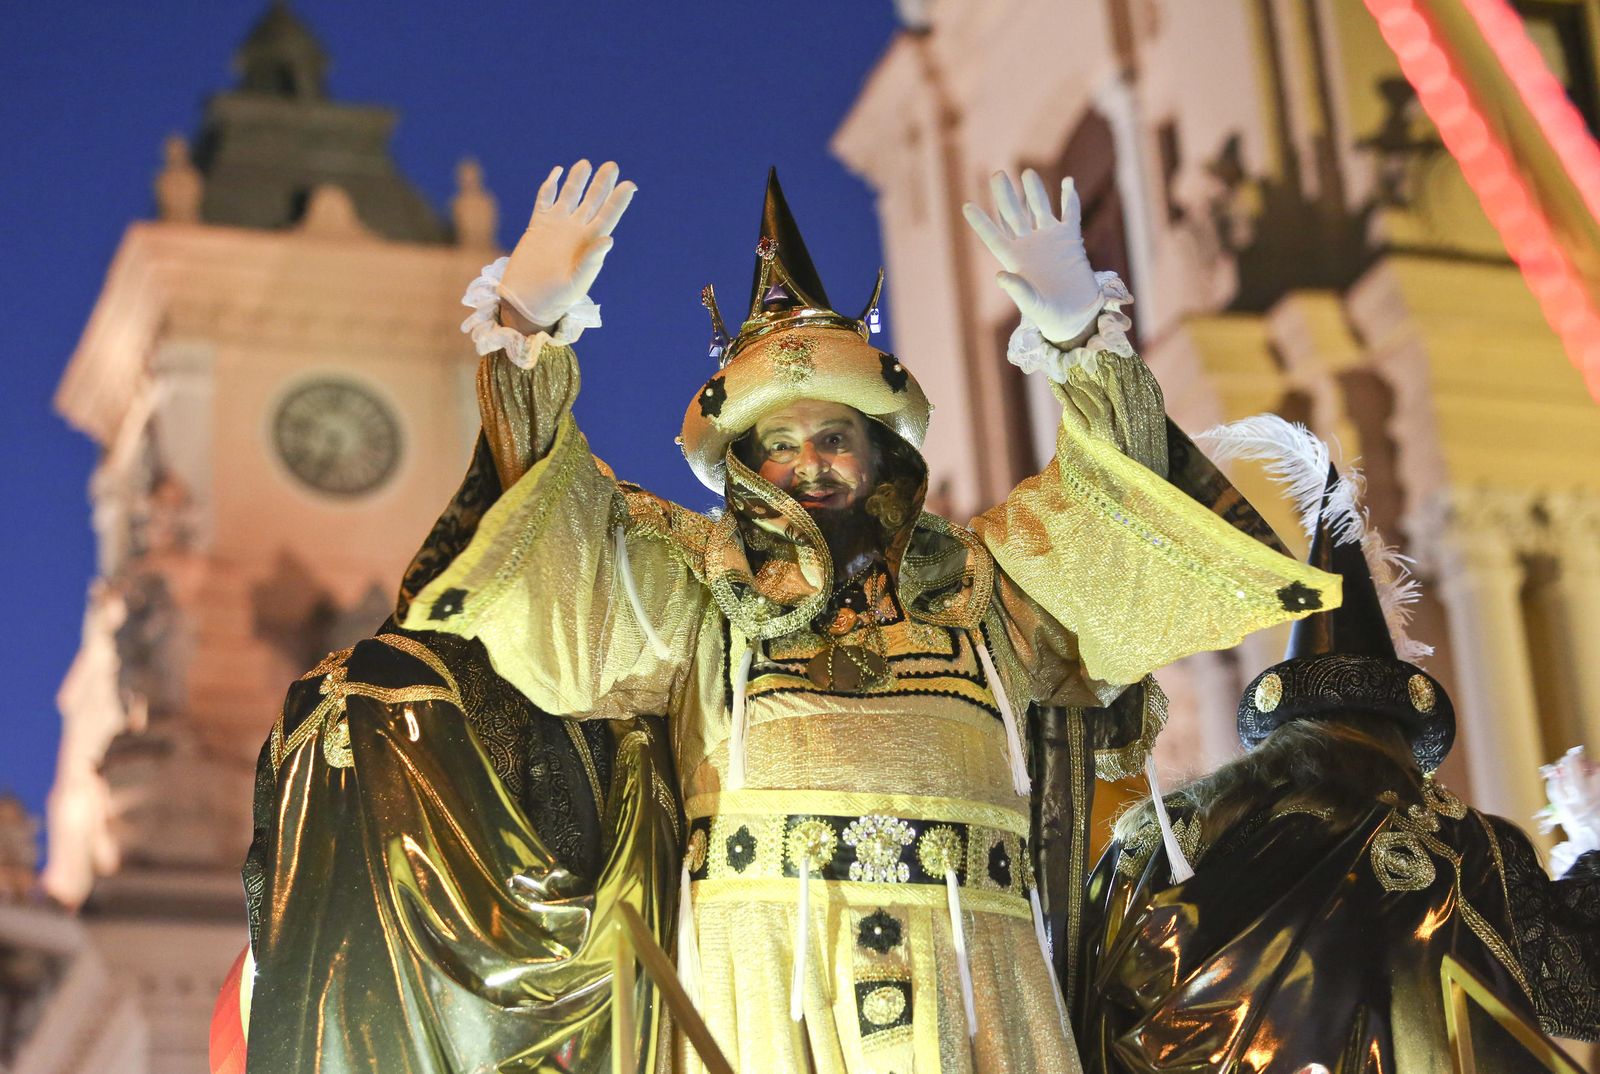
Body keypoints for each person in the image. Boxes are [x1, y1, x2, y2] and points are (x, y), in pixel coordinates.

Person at [392, 159, 1339, 1074]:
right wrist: (526, 331)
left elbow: (1125, 524)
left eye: (834, 437)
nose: (809, 462)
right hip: (762, 975)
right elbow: (545, 527)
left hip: (984, 974)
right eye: (780, 443)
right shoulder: (690, 586)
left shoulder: (987, 581)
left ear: (878, 451)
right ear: (741, 467)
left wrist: (1083, 341)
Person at [1075, 417, 1600, 1074]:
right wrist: (1588, 835)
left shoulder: (1176, 830)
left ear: (1278, 728)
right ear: (1403, 736)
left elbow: (1079, 997)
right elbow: (1583, 988)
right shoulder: (1466, 845)